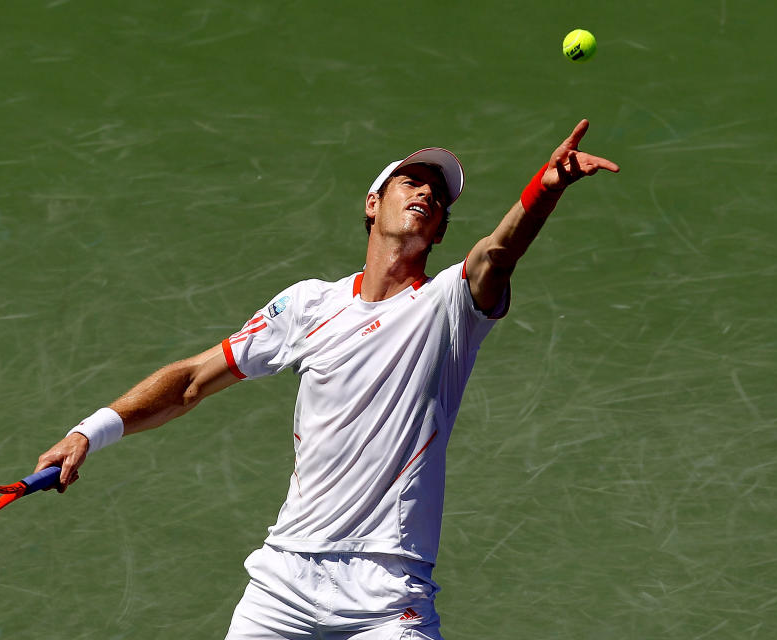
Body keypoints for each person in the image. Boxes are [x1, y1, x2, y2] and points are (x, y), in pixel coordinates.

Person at [34, 119, 619, 639]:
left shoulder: (448, 307)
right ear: (373, 203)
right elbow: (192, 380)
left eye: (438, 196)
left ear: (441, 232)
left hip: (389, 596)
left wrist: (544, 189)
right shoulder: (308, 306)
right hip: (282, 583)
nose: (426, 193)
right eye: (412, 182)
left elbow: (498, 251)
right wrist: (91, 431)